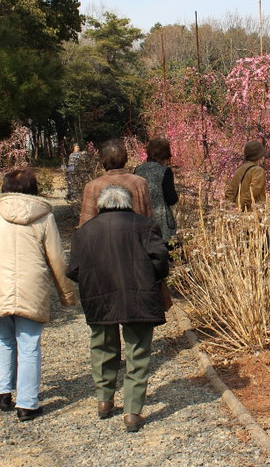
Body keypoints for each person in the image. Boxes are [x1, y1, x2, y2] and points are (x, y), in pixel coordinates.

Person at [0, 168, 77, 421]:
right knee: (29, 343)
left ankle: (2, 391)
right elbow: (57, 258)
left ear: (4, 187)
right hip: (32, 285)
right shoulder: (44, 216)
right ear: (34, 189)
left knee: (3, 337)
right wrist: (67, 294)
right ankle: (28, 404)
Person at [67, 185, 169, 432]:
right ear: (128, 203)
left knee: (102, 347)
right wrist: (147, 278)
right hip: (139, 296)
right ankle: (132, 412)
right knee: (138, 352)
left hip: (100, 298)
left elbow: (73, 270)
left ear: (101, 205)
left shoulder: (84, 232)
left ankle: (104, 400)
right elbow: (160, 260)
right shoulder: (145, 226)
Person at [78, 138, 151, 227]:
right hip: (136, 236)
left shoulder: (92, 187)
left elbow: (86, 224)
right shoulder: (140, 183)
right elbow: (149, 219)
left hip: (103, 238)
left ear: (102, 160)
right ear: (125, 159)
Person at [134, 138, 178, 246]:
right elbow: (171, 199)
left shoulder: (138, 170)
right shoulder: (165, 171)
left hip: (141, 220)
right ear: (166, 154)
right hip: (162, 224)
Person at [225, 140, 269, 210]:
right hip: (252, 214)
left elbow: (229, 192)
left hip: (235, 215)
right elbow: (252, 192)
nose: (263, 157)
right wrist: (241, 207)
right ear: (258, 156)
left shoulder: (239, 170)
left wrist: (233, 209)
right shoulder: (258, 170)